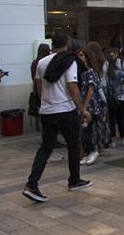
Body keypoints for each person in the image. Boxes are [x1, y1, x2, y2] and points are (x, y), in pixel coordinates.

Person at [22, 30, 92, 203]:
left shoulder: (41, 62)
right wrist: (82, 108)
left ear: (52, 43)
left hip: (46, 111)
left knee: (46, 147)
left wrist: (45, 102)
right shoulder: (70, 61)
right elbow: (72, 86)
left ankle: (32, 184)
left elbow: (37, 86)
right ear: (68, 42)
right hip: (65, 110)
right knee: (73, 144)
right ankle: (74, 180)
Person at [106, 55, 124, 147]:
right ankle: (122, 139)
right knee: (121, 119)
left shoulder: (106, 74)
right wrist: (122, 86)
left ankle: (113, 141)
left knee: (112, 120)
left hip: (110, 98)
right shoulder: (119, 72)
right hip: (120, 97)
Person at [30, 44, 51, 132]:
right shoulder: (44, 62)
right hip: (44, 89)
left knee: (40, 111)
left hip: (36, 89)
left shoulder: (34, 62)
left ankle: (41, 131)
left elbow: (33, 77)